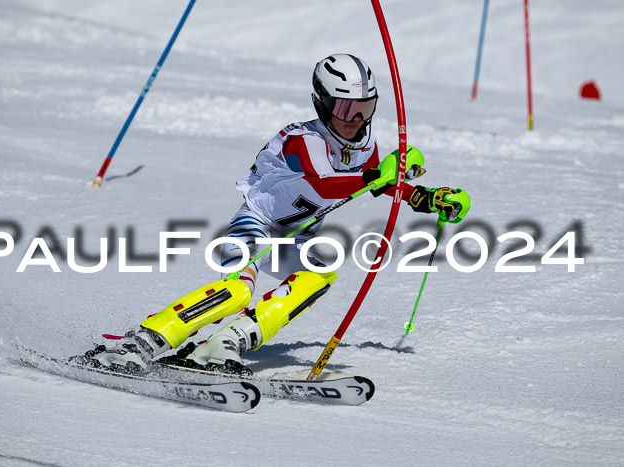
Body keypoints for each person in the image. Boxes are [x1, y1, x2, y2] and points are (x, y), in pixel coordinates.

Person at [77, 54, 471, 375]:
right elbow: (325, 183)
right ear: (322, 102)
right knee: (238, 289)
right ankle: (142, 342)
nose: (355, 120)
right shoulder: (302, 139)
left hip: (296, 236)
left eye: (364, 108)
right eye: (345, 108)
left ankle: (223, 345)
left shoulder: (364, 142)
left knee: (318, 277)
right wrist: (377, 172)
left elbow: (377, 183)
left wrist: (423, 196)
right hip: (256, 224)